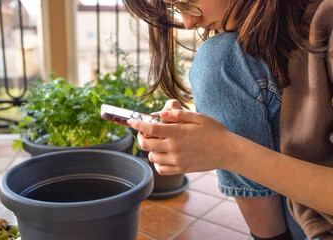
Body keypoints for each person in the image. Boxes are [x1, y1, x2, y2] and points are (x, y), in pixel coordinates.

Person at [122, 0, 333, 239]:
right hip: (307, 216)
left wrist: (228, 150)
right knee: (219, 61)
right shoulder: (277, 30)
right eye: (176, 9)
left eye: (186, 2)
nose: (189, 23)